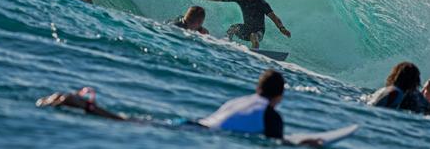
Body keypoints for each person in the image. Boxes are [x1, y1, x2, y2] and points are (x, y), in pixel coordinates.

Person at [36, 70, 322, 146]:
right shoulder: (271, 115)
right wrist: (305, 144)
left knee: (130, 120)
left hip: (192, 124)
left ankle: (86, 105)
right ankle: (86, 104)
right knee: (126, 122)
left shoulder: (241, 100)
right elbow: (275, 144)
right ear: (280, 94)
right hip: (198, 135)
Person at [197, 0, 290, 48]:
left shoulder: (261, 2)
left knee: (254, 37)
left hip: (259, 31)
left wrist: (282, 28)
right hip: (246, 29)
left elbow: (273, 17)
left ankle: (255, 55)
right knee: (232, 28)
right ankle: (225, 45)